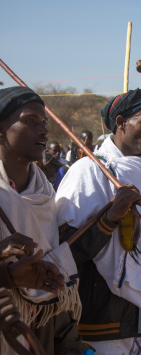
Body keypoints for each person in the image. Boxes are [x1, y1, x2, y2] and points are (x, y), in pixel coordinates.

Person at [55, 88, 141, 354]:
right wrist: (110, 217)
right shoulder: (89, 171)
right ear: (120, 123)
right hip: (102, 322)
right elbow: (63, 251)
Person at [0, 86, 90, 354]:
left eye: (44, 122)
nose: (43, 130)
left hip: (46, 325)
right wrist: (7, 277)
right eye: (29, 121)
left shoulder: (45, 191)